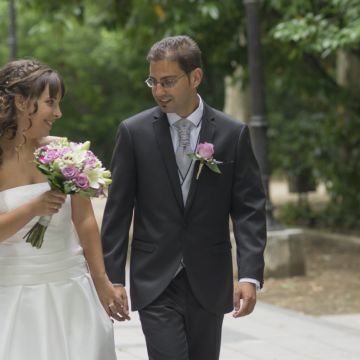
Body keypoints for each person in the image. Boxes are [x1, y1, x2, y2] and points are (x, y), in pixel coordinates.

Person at [101, 35, 267, 360]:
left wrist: (249, 274)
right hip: (154, 279)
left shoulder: (233, 134)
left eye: (168, 81)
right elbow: (118, 211)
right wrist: (114, 278)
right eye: (153, 81)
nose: (159, 91)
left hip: (209, 277)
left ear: (195, 77)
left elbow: (249, 210)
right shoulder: (134, 133)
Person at [0, 59, 120, 360]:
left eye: (59, 103)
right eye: (50, 103)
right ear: (21, 103)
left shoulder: (65, 153)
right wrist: (33, 208)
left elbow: (85, 221)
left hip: (71, 286)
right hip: (14, 292)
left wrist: (101, 281)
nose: (58, 113)